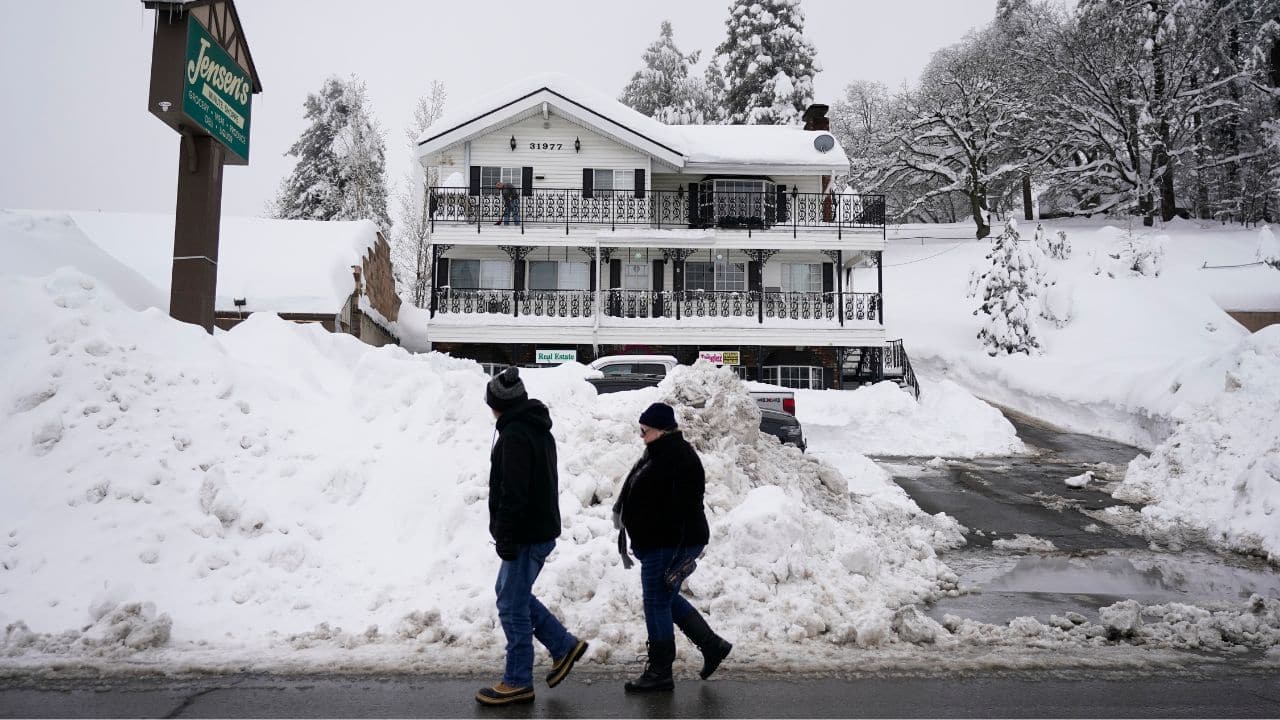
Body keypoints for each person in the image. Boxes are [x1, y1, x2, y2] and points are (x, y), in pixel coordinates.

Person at [476, 367, 588, 706]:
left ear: (500, 404)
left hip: (525, 533)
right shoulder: (532, 428)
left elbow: (514, 493)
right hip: (535, 529)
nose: (489, 408)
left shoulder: (515, 436)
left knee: (511, 604)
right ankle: (563, 645)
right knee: (513, 594)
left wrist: (506, 536)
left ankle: (518, 680)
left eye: (490, 402)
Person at [613, 402, 732, 693]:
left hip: (669, 543)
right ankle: (712, 645)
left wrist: (659, 539)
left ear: (662, 430)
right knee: (664, 598)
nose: (641, 436)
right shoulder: (658, 452)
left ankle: (660, 671)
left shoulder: (677, 457)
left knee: (656, 602)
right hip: (659, 542)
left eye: (645, 431)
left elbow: (681, 506)